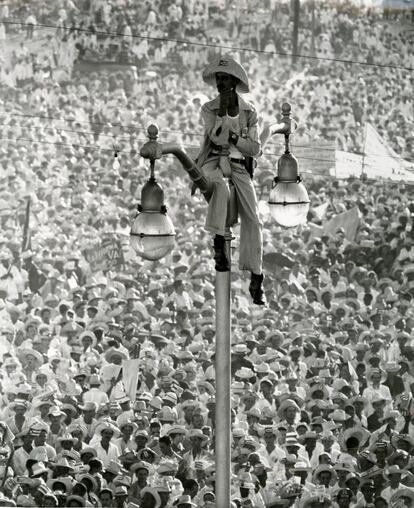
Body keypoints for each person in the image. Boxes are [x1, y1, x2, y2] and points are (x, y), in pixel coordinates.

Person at [196, 54, 265, 305]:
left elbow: (254, 148)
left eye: (224, 79)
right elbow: (216, 139)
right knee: (221, 190)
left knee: (253, 217)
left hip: (239, 167)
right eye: (218, 78)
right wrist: (225, 118)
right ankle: (218, 243)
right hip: (214, 161)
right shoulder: (209, 108)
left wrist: (235, 138)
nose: (220, 83)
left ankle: (256, 273)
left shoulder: (249, 111)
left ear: (234, 81)